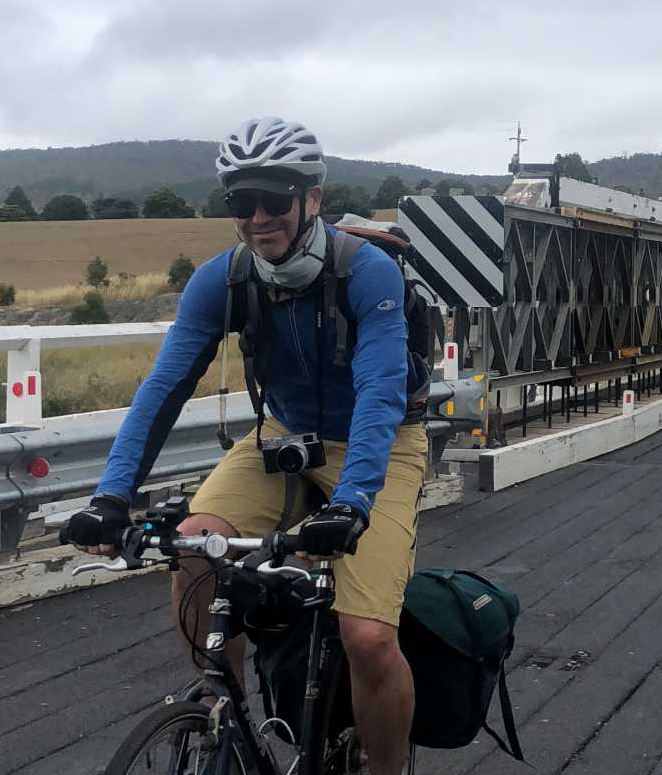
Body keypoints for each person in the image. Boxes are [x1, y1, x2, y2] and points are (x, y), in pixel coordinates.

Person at [63, 117, 426, 775]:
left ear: (311, 198)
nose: (258, 217)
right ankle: (220, 714)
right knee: (196, 546)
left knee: (368, 636)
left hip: (379, 443)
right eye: (240, 202)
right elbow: (164, 387)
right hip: (284, 437)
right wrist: (111, 495)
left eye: (274, 199)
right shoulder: (224, 280)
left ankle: (388, 770)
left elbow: (379, 390)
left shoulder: (367, 273)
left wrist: (351, 503)